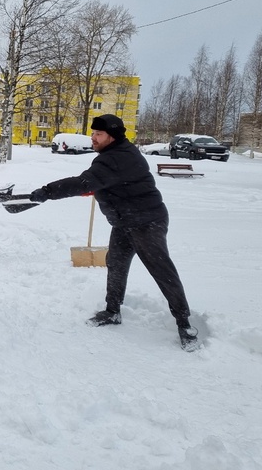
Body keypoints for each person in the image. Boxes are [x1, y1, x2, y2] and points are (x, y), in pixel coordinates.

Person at [29, 114, 199, 350]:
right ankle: (112, 311)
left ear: (112, 136)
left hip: (146, 221)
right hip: (124, 222)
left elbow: (85, 181)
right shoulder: (115, 154)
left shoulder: (117, 158)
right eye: (93, 133)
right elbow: (101, 183)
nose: (93, 138)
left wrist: (48, 191)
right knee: (116, 264)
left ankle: (185, 324)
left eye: (98, 134)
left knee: (161, 269)